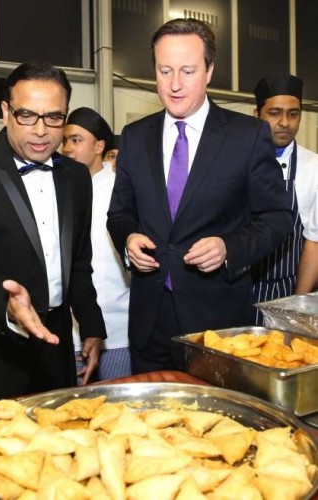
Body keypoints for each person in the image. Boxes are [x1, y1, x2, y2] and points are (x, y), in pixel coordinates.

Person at [107, 18, 293, 374]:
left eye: (188, 71)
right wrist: (127, 238)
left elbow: (278, 218)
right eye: (165, 71)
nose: (174, 85)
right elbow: (119, 214)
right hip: (149, 321)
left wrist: (229, 248)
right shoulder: (133, 137)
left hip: (218, 323)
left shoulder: (247, 136)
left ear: (209, 70)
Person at [0, 61, 107, 401]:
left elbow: (79, 261)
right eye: (27, 115)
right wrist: (6, 304)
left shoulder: (75, 176)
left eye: (54, 117)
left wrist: (92, 327)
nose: (41, 130)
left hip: (53, 350)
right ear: (5, 112)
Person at [62, 107, 131, 381]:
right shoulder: (57, 189)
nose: (67, 148)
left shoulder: (122, 190)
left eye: (76, 140)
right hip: (67, 332)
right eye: (65, 140)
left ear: (99, 146)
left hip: (117, 330)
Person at [252, 74, 318, 319]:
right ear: (256, 114)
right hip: (236, 292)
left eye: (293, 114)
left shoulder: (314, 167)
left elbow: (315, 241)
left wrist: (295, 306)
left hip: (288, 290)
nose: (284, 122)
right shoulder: (236, 161)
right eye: (274, 113)